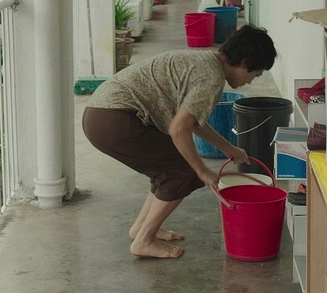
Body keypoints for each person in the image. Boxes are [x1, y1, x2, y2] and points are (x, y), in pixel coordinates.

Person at [82, 25, 277, 259]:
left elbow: (191, 121)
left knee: (167, 168)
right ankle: (144, 240)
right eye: (255, 74)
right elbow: (178, 129)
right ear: (244, 63)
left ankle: (141, 229)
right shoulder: (211, 78)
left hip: (100, 115)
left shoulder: (205, 62)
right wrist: (202, 171)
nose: (251, 81)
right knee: (182, 172)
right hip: (115, 119)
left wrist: (227, 147)